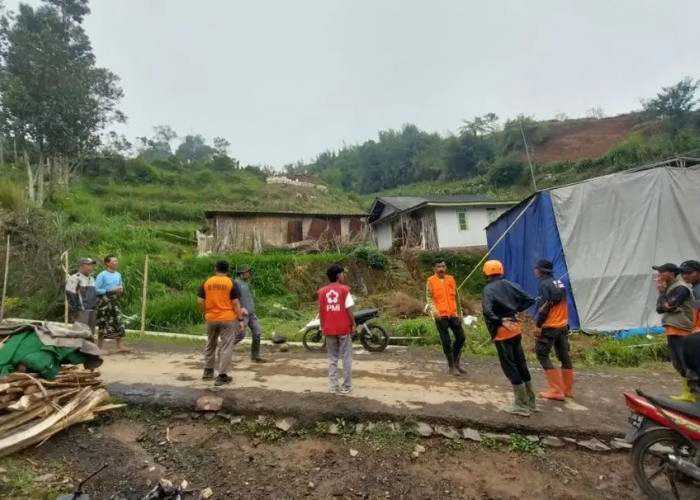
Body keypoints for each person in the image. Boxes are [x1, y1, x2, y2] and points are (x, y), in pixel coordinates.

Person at [482, 260, 538, 417]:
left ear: (486, 273)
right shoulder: (510, 284)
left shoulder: (488, 290)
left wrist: (501, 320)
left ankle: (520, 404)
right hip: (515, 330)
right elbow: (529, 299)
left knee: (510, 366)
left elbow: (487, 311)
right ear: (500, 271)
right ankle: (531, 402)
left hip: (502, 332)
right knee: (521, 363)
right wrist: (513, 312)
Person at [198, 260, 245, 386]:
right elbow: (235, 303)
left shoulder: (207, 282)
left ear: (215, 269)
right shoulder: (231, 282)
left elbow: (200, 301)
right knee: (226, 346)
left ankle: (208, 371)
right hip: (227, 318)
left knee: (210, 343)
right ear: (227, 270)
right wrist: (240, 320)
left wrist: (207, 312)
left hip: (211, 318)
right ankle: (222, 375)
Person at [533, 259, 573, 401]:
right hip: (562, 325)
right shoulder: (559, 283)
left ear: (542, 271)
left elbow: (544, 307)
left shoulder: (544, 284)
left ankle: (556, 390)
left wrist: (538, 324)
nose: (535, 270)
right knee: (564, 356)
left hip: (550, 326)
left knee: (542, 354)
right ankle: (567, 390)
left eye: (536, 268)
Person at [654, 262, 695, 401]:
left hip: (682, 329)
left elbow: (667, 305)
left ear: (671, 274)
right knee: (677, 362)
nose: (658, 274)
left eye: (661, 271)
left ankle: (692, 394)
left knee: (684, 362)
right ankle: (687, 393)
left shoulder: (680, 288)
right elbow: (660, 308)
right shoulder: (670, 288)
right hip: (673, 329)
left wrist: (663, 296)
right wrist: (666, 302)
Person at [318, 264, 355, 395]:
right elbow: (349, 310)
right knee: (346, 357)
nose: (343, 276)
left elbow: (321, 311)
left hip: (329, 329)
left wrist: (322, 327)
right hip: (343, 328)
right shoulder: (344, 290)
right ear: (339, 276)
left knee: (333, 358)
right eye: (342, 274)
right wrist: (353, 324)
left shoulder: (322, 292)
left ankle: (333, 386)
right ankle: (347, 386)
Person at [426, 259, 467, 376]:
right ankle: (451, 366)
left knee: (461, 337)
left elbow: (456, 298)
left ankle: (456, 362)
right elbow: (429, 298)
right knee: (446, 341)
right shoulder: (430, 281)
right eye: (438, 267)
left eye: (443, 266)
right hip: (440, 316)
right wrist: (434, 311)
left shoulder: (451, 279)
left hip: (453, 314)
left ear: (446, 267)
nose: (441, 269)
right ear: (434, 269)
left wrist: (460, 313)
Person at [95, 255, 128, 353]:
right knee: (104, 322)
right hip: (104, 301)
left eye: (116, 261)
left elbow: (120, 285)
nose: (116, 263)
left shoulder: (118, 274)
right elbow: (96, 289)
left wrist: (119, 290)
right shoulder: (102, 275)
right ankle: (99, 347)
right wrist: (109, 290)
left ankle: (119, 346)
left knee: (119, 321)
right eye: (113, 261)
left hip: (115, 300)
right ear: (107, 263)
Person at [235, 265, 267, 363]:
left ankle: (255, 355)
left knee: (257, 332)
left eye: (248, 272)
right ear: (241, 273)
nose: (248, 274)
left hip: (251, 313)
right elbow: (234, 299)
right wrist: (240, 309)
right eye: (246, 272)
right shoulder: (236, 283)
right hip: (243, 314)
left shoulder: (246, 283)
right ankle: (223, 347)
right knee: (241, 335)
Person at [679, 260, 700, 400]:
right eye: (682, 273)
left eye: (689, 272)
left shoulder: (698, 288)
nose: (685, 276)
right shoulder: (695, 288)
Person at [65, 258, 98, 335]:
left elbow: (94, 294)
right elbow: (70, 294)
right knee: (80, 333)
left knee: (90, 334)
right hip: (81, 310)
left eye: (91, 265)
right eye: (88, 265)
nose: (91, 267)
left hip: (92, 309)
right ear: (81, 266)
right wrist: (74, 310)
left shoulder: (92, 279)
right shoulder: (75, 278)